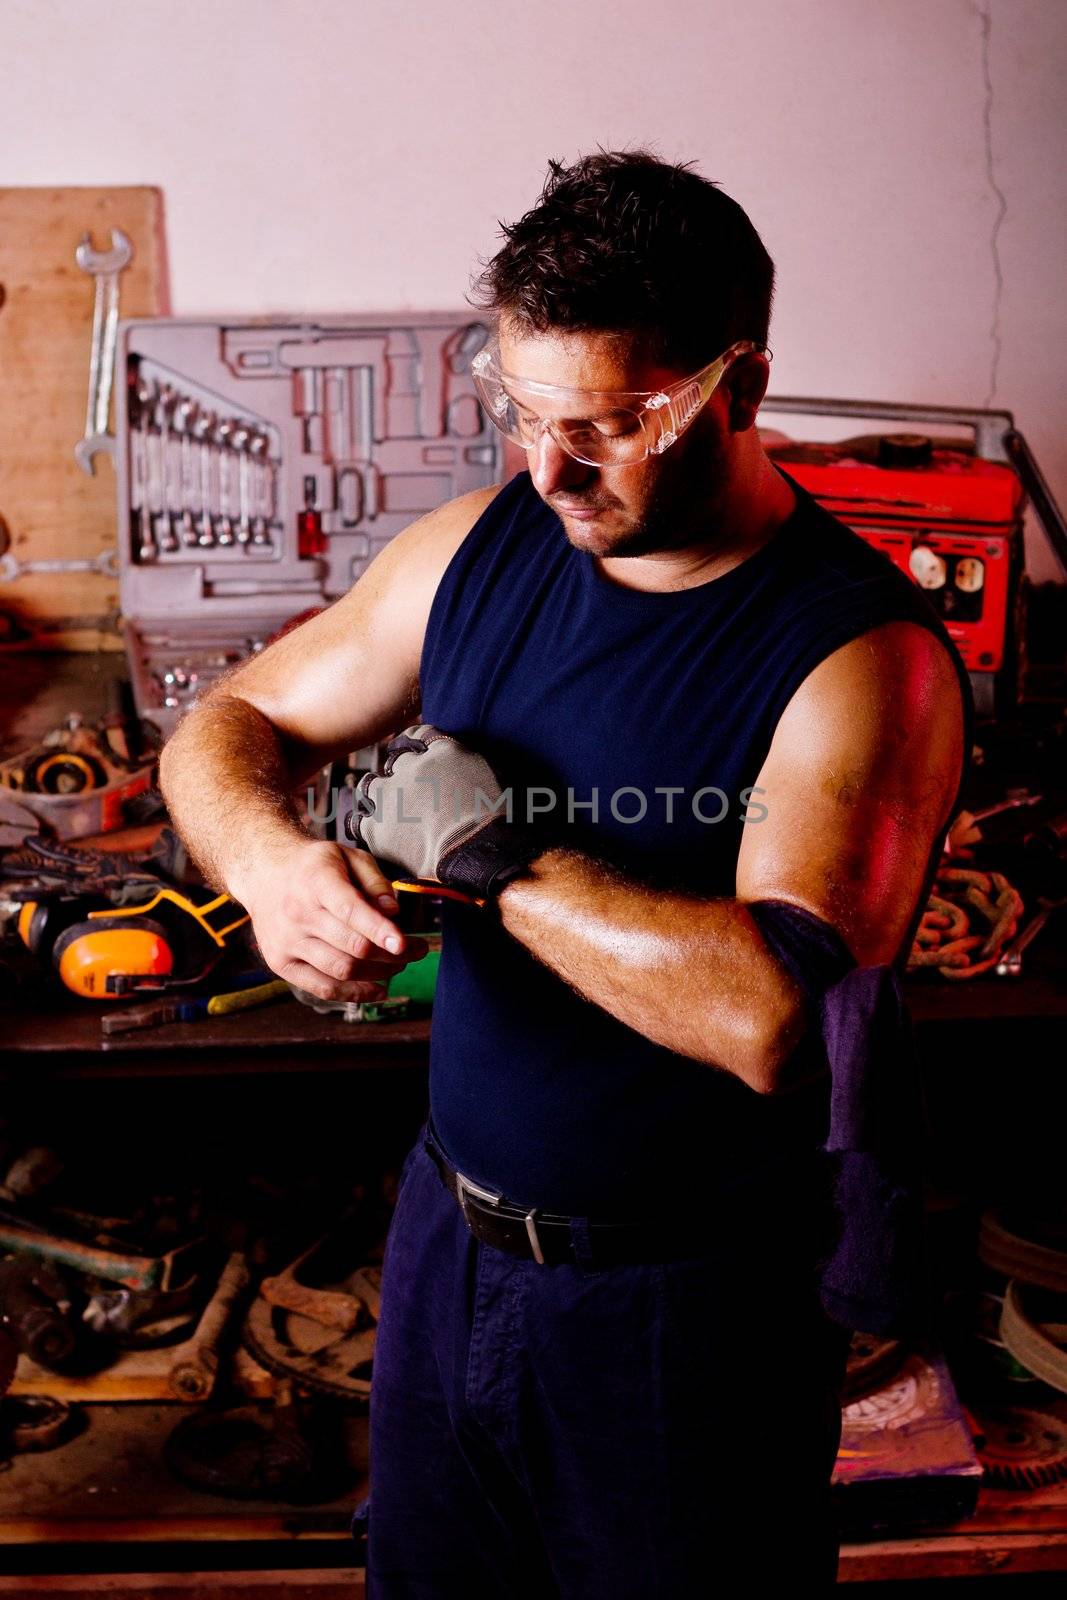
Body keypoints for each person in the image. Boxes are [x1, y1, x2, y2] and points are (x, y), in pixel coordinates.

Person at [159, 150, 971, 1596]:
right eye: (521, 412)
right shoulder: (477, 549)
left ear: (739, 385)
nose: (547, 469)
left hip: (688, 1311)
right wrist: (272, 865)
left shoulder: (862, 660)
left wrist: (502, 859)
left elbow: (771, 1016)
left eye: (605, 424)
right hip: (446, 1244)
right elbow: (226, 725)